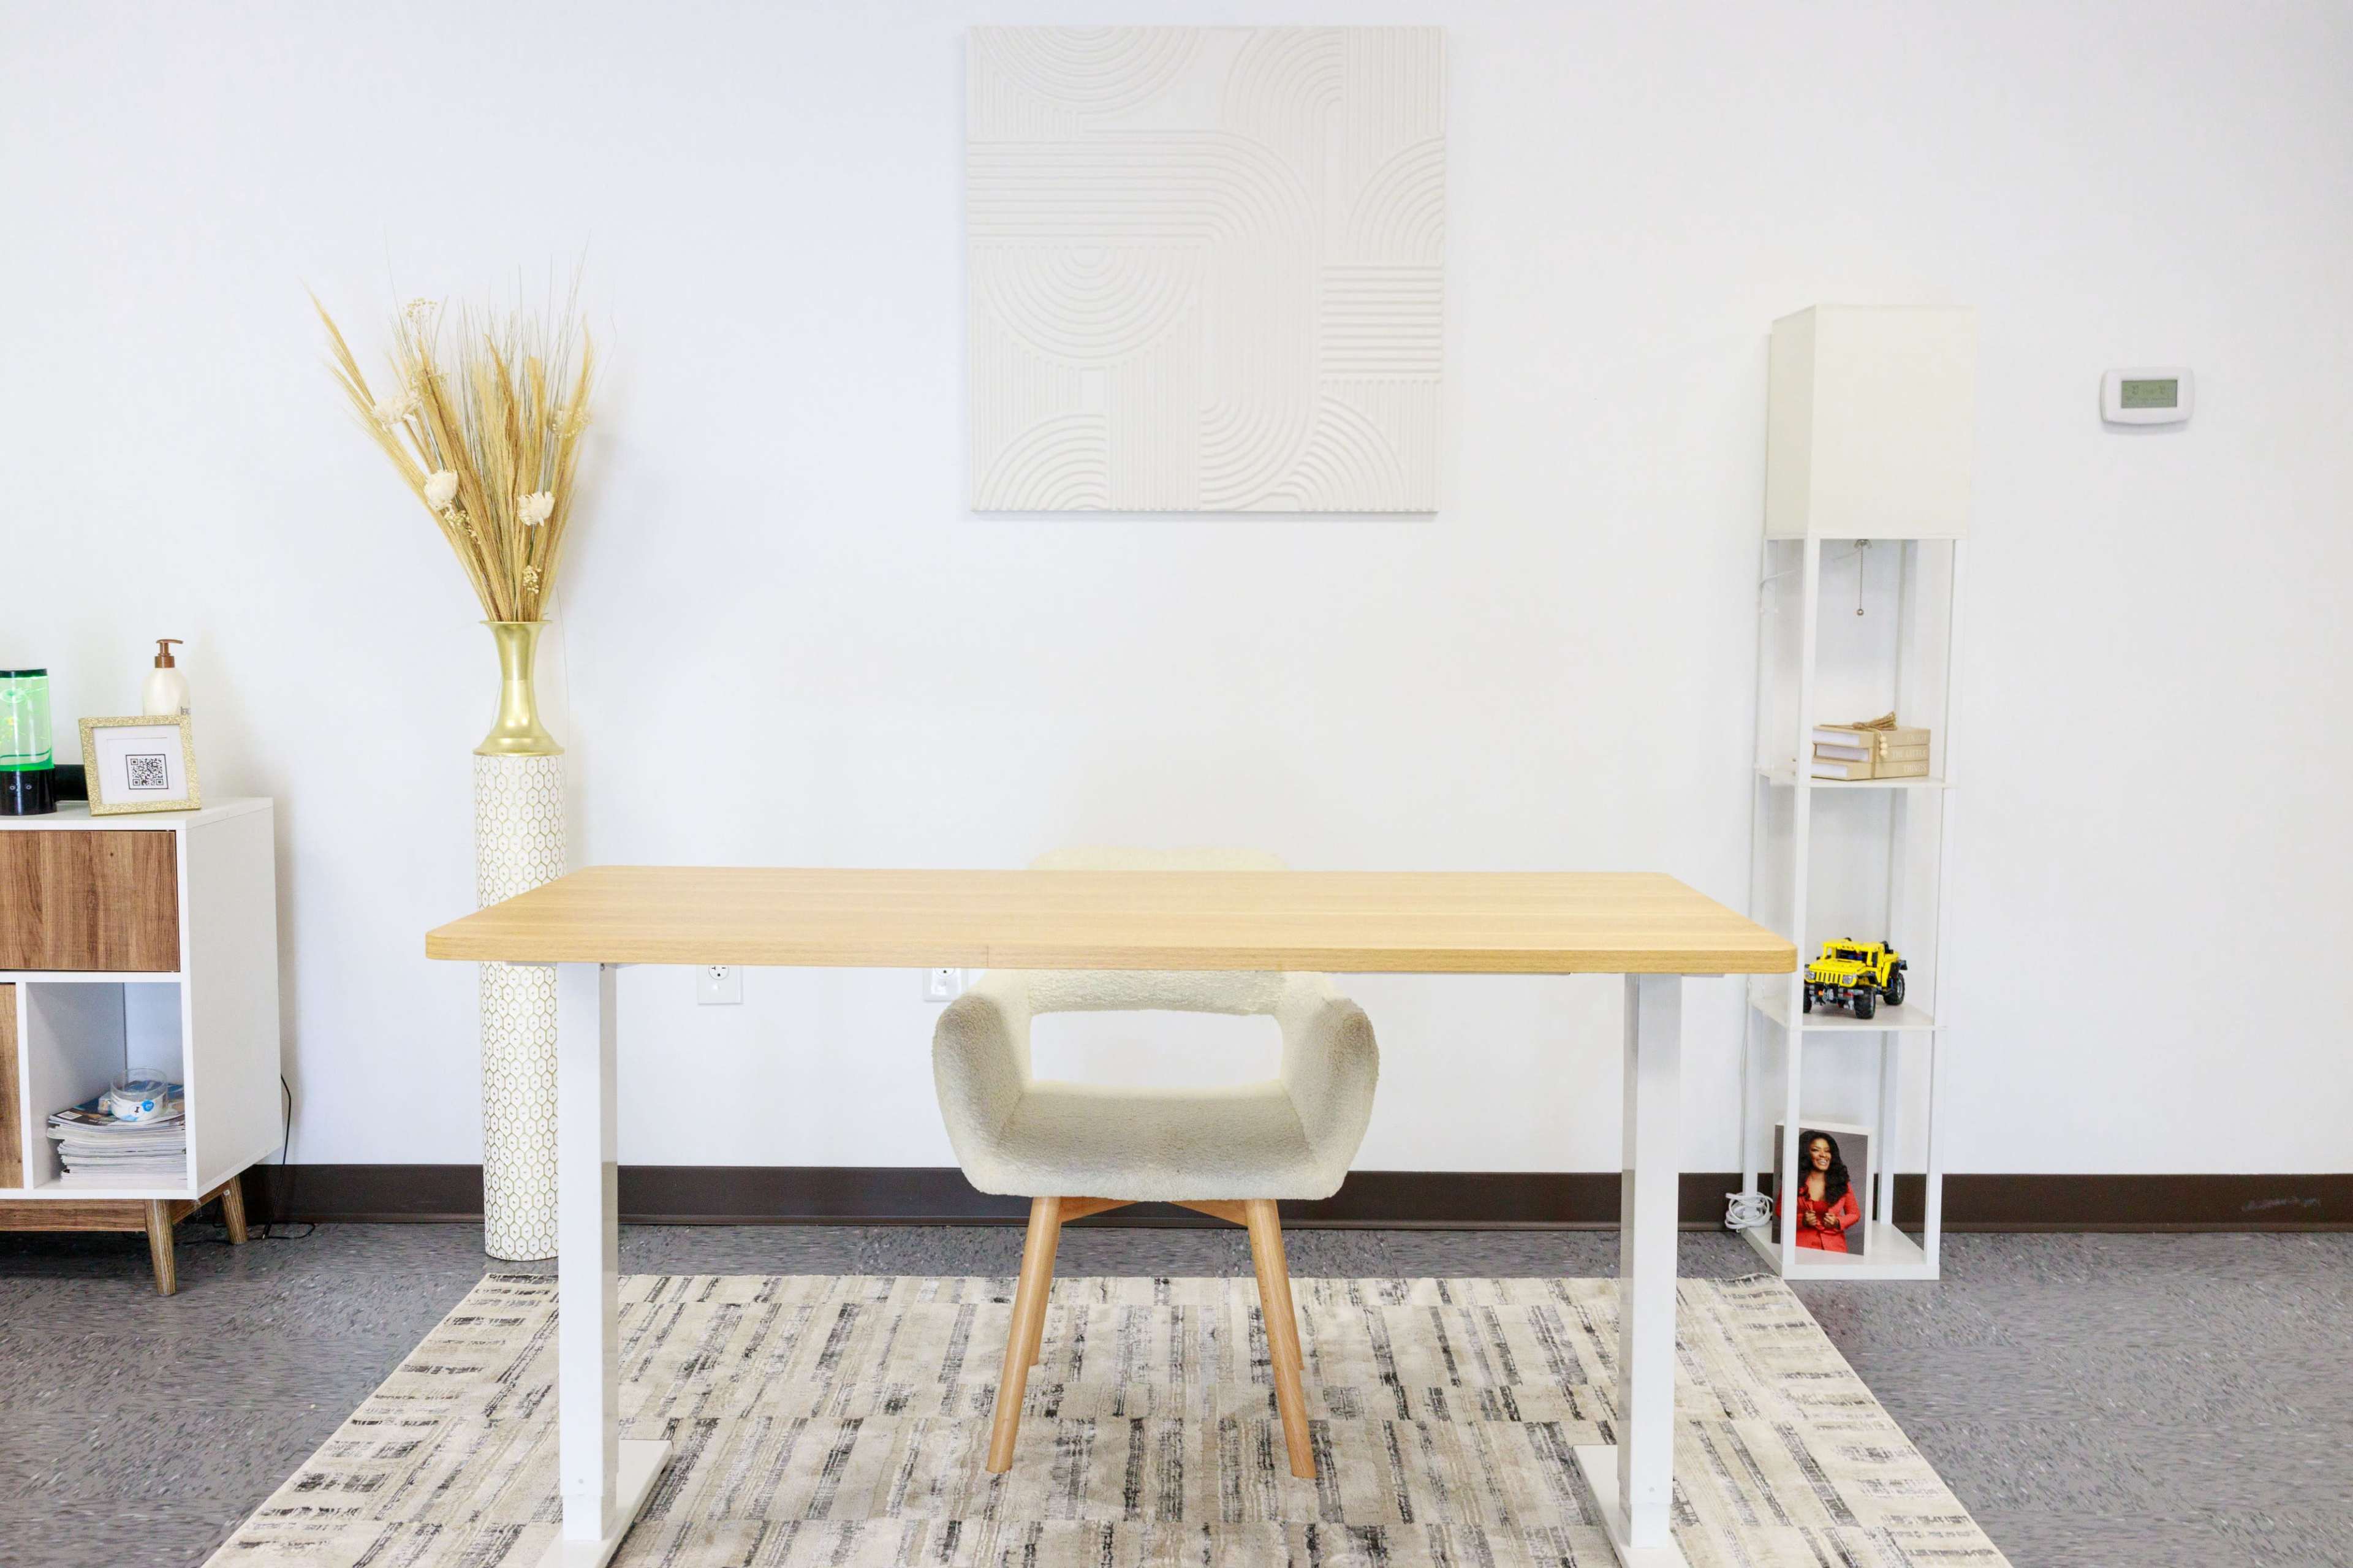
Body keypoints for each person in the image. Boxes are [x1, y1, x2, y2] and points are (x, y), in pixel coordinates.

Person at [1780, 1130, 1860, 1252]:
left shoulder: (1842, 1182)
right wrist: (1802, 1220)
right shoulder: (1794, 1179)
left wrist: (1838, 1222)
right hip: (1800, 1246)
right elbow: (1780, 1210)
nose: (1823, 1155)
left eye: (1827, 1151)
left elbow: (1855, 1214)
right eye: (1816, 1150)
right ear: (1806, 1154)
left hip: (1834, 1247)